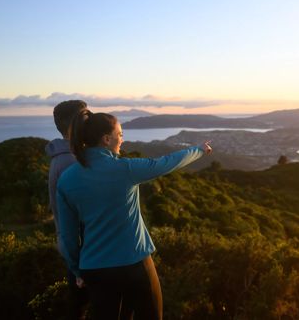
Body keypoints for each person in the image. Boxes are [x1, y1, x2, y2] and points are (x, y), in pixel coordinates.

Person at [57, 110, 212, 319]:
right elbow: (167, 163)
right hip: (134, 264)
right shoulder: (125, 168)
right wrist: (199, 150)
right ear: (106, 139)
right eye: (120, 134)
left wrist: (77, 271)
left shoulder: (66, 179)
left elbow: (67, 236)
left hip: (94, 269)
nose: (122, 139)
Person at [45, 100, 89, 319]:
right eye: (86, 116)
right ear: (75, 123)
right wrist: (78, 269)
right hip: (82, 255)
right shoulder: (70, 163)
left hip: (78, 252)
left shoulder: (65, 158)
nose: (90, 120)